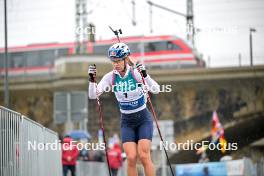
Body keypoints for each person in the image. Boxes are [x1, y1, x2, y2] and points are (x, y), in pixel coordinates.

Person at [88, 42, 160, 176]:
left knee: (144, 156)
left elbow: (156, 90)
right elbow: (93, 95)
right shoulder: (110, 77)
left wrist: (145, 75)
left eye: (118, 60)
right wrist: (92, 81)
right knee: (131, 158)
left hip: (143, 118)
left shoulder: (135, 74)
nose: (115, 64)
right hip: (127, 121)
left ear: (126, 59)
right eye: (113, 61)